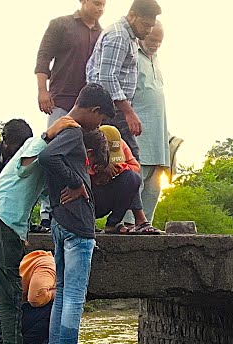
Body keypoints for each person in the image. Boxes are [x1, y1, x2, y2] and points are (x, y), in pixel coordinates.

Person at [0, 105, 95, 344]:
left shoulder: (48, 159)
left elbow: (40, 191)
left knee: (10, 289)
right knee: (10, 291)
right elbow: (22, 167)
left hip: (7, 221)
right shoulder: (35, 145)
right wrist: (47, 134)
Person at [38, 85, 116, 344]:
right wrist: (78, 183)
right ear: (94, 111)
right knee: (73, 296)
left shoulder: (62, 130)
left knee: (60, 294)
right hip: (77, 225)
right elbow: (48, 159)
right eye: (100, 120)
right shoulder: (73, 132)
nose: (98, 126)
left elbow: (48, 158)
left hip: (60, 220)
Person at [36, 0, 106, 232]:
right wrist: (42, 91)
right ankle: (48, 213)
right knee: (53, 153)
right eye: (96, 3)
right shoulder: (61, 25)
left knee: (83, 159)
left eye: (104, 4)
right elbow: (43, 59)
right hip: (62, 100)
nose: (100, 8)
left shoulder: (102, 33)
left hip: (90, 110)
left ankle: (76, 212)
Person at [86, 0, 161, 162]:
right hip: (110, 110)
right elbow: (107, 78)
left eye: (150, 26)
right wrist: (128, 112)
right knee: (129, 160)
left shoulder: (130, 35)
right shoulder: (119, 36)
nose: (148, 31)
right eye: (145, 25)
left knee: (116, 160)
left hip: (113, 110)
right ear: (132, 16)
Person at [126, 21, 169, 224]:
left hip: (158, 135)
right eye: (152, 40)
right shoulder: (132, 56)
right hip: (138, 133)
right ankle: (126, 224)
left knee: (154, 185)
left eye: (159, 41)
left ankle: (146, 224)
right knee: (135, 180)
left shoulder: (157, 59)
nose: (155, 45)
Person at [92, 125, 161, 233]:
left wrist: (118, 168)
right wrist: (98, 170)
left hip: (106, 198)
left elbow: (135, 167)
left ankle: (114, 223)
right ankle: (86, 222)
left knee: (132, 177)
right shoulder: (85, 144)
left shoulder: (119, 142)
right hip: (87, 197)